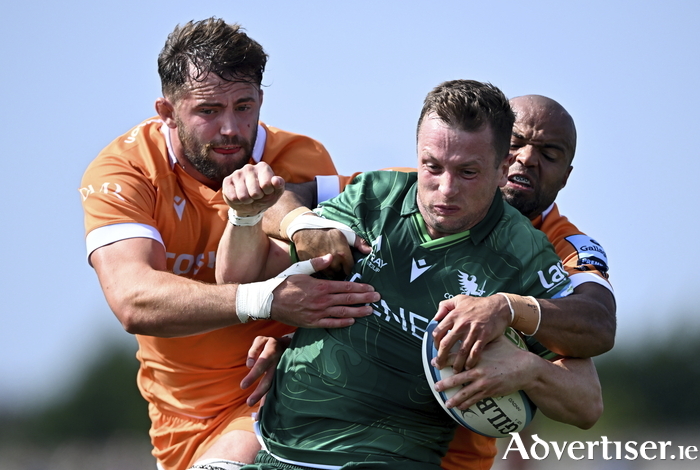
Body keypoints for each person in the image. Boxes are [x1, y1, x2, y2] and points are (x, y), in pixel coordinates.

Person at [217, 80, 603, 469]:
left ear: (500, 169)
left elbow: (589, 385)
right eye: (432, 167)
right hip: (277, 451)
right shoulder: (377, 192)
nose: (445, 189)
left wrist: (528, 368)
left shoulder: (535, 251)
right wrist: (254, 216)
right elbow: (240, 275)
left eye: (468, 172)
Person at [79, 18, 381, 470]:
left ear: (261, 100)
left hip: (281, 397)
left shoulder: (302, 160)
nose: (230, 128)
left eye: (244, 106)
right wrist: (267, 301)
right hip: (178, 422)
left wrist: (296, 344)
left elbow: (342, 284)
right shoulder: (124, 172)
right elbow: (133, 301)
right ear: (166, 112)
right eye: (208, 111)